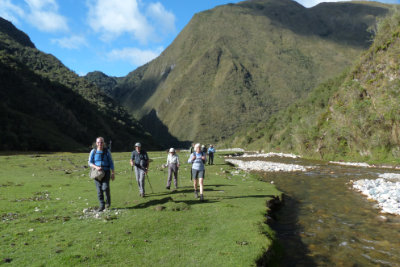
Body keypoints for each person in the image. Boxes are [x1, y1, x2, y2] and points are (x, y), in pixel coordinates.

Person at [88, 137, 115, 211]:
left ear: (104, 143)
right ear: (96, 143)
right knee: (99, 190)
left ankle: (108, 202)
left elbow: (111, 162)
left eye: (101, 142)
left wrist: (113, 173)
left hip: (106, 172)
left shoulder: (107, 151)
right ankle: (102, 205)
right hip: (97, 173)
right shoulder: (93, 151)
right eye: (99, 142)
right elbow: (89, 162)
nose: (100, 144)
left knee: (105, 187)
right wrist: (96, 167)